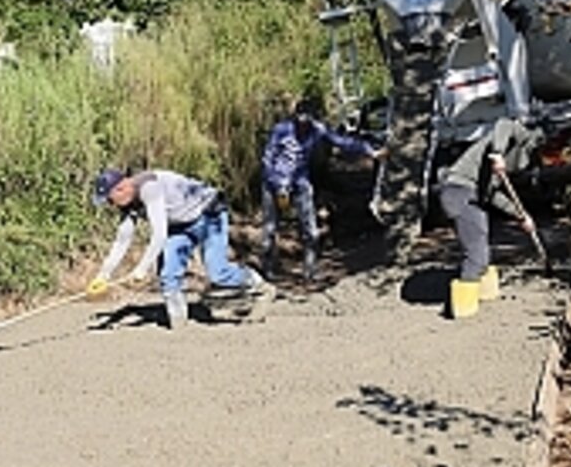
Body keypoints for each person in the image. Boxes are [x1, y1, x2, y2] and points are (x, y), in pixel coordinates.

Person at [88, 167, 274, 329]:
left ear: (121, 188)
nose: (110, 205)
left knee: (218, 272)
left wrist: (141, 269)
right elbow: (122, 241)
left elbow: (159, 235)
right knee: (168, 276)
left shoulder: (149, 188)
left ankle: (258, 285)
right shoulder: (128, 204)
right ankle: (178, 323)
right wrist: (103, 275)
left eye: (110, 200)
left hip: (209, 213)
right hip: (180, 225)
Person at [260, 99, 387, 281]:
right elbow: (267, 160)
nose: (303, 125)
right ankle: (268, 270)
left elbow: (343, 142)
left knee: (310, 228)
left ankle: (310, 271)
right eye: (300, 120)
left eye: (307, 120)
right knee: (270, 228)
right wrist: (279, 184)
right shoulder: (281, 130)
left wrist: (371, 151)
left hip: (299, 181)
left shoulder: (317, 129)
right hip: (273, 183)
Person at [437, 116, 545, 310]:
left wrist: (520, 215)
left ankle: (485, 293)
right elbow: (504, 123)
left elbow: (491, 195)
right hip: (459, 192)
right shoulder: (515, 138)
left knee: (481, 245)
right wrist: (497, 154)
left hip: (471, 195)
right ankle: (463, 309)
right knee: (476, 255)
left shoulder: (498, 170)